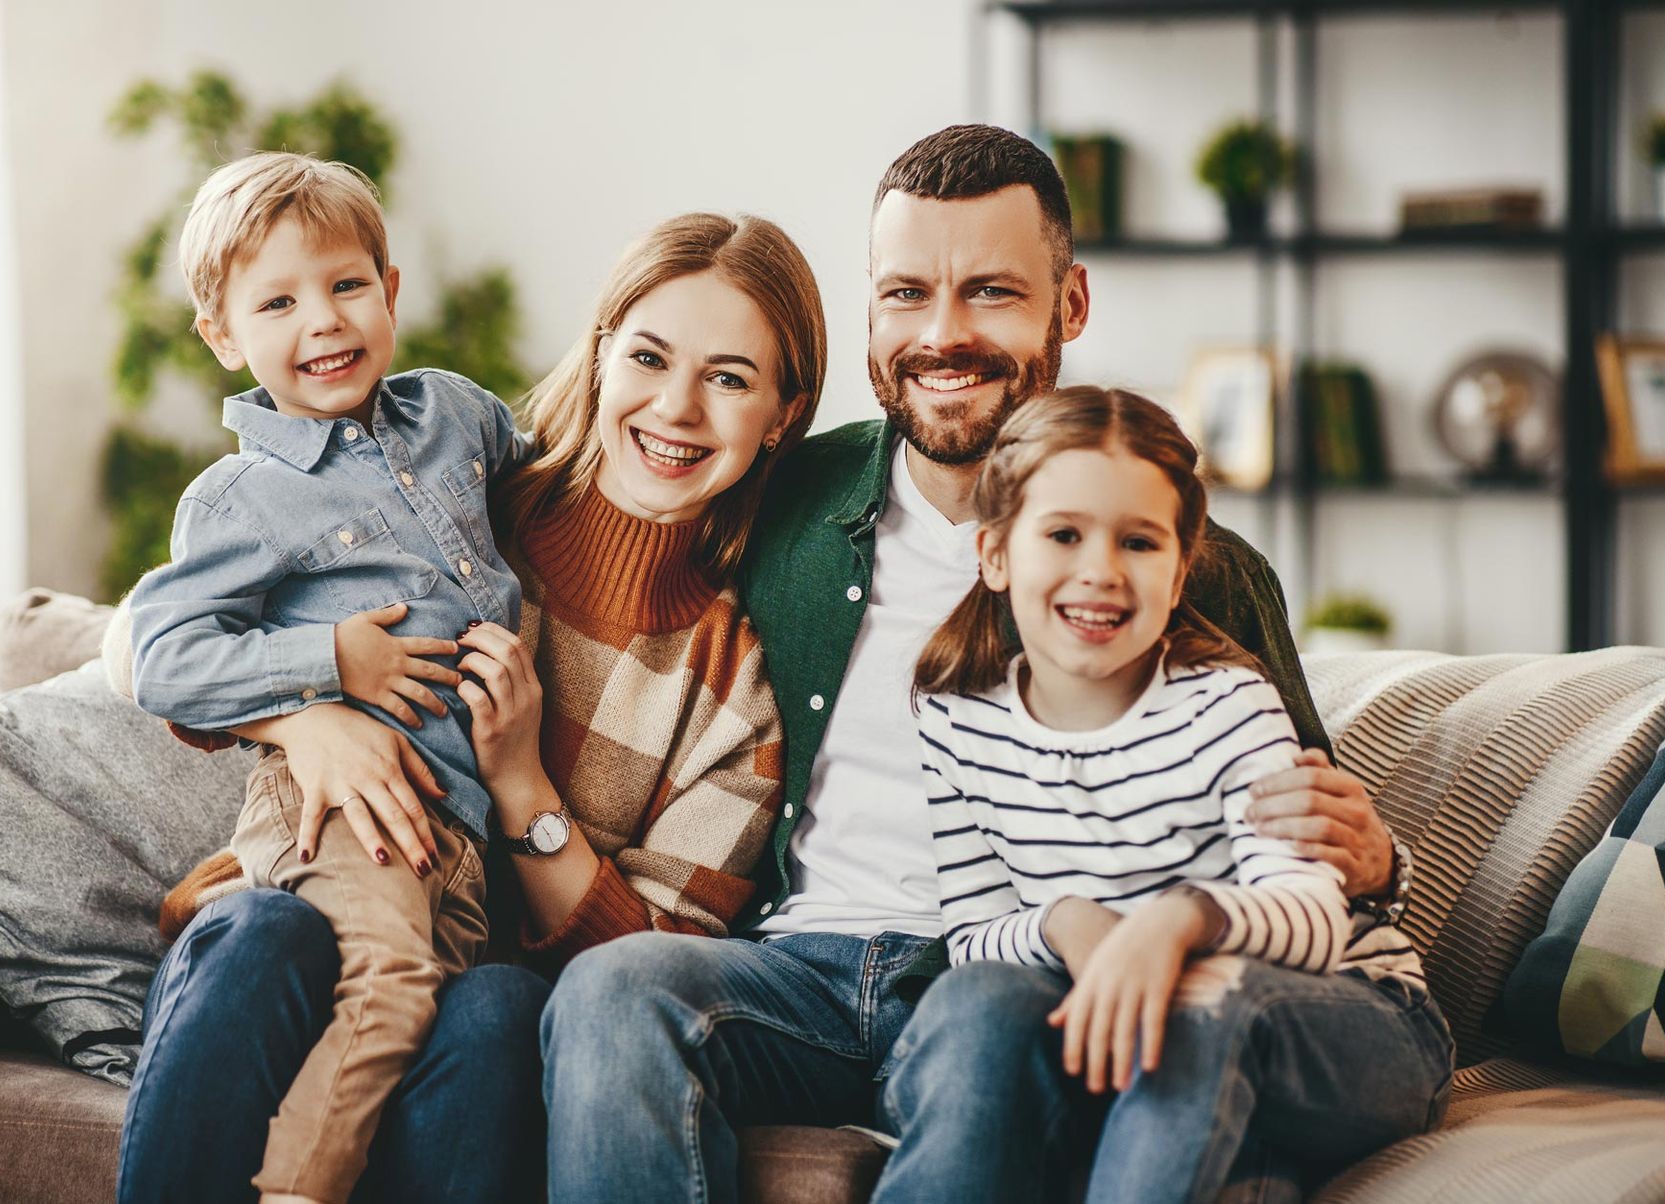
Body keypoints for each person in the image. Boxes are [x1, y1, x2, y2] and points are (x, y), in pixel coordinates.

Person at [540, 124, 1413, 1202]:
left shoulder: (1174, 561)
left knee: (981, 1015)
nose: (942, 335)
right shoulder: (783, 496)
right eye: (905, 292)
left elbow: (1308, 837)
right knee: (616, 989)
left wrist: (1375, 858)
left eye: (992, 293)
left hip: (1008, 974)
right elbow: (588, 505)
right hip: (800, 968)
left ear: (1071, 305)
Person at [115, 209, 827, 1203]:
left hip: (467, 980)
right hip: (305, 914)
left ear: (782, 416)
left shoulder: (730, 693)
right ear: (601, 353)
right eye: (651, 357)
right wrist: (306, 717)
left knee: (497, 1007)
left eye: (730, 378)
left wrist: (523, 784)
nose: (677, 408)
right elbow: (146, 646)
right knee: (263, 932)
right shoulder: (460, 496)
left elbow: (659, 981)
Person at [876, 386, 1448, 1203]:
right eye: (1064, 534)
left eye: (1139, 543)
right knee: (978, 1004)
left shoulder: (1227, 702)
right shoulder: (957, 718)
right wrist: (1071, 922)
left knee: (1202, 1003)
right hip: (1136, 1027)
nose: (1100, 571)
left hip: (1353, 1025)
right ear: (995, 554)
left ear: (1181, 572)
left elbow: (1318, 918)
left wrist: (1177, 924)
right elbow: (973, 936)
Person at [125, 150, 531, 1204]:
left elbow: (561, 487)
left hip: (459, 831)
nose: (325, 321)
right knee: (389, 993)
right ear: (224, 335)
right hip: (341, 809)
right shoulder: (240, 498)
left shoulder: (459, 415)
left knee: (429, 1017)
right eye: (279, 301)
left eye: (348, 284)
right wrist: (327, 665)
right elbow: (163, 656)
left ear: (391, 291)